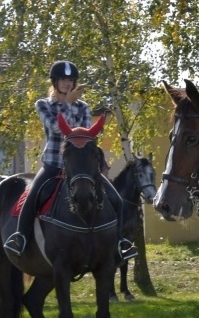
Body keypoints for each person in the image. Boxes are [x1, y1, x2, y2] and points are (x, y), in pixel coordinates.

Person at [3, 60, 137, 261]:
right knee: (32, 196)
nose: (68, 83)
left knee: (116, 199)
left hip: (80, 167)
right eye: (63, 79)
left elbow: (85, 135)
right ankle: (19, 237)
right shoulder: (43, 105)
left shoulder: (83, 107)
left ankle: (121, 243)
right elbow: (57, 127)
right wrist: (66, 104)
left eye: (71, 80)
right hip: (53, 164)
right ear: (55, 82)